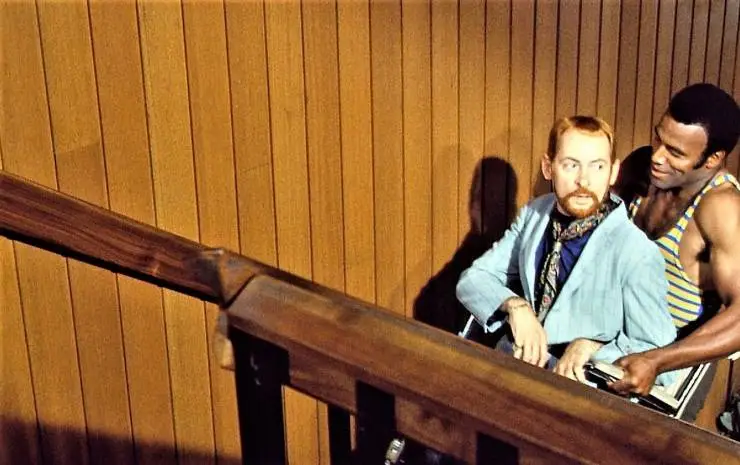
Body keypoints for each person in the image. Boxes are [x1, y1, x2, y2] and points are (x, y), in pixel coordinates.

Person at [456, 115, 677, 385]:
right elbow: (473, 280)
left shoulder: (636, 251)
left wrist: (592, 347)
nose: (584, 181)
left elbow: (659, 357)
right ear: (548, 167)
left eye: (597, 166)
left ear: (613, 172)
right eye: (571, 165)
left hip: (579, 387)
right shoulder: (534, 214)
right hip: (513, 367)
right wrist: (516, 307)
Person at [609, 83, 740, 396]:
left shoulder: (721, 207)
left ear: (712, 159)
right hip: (610, 338)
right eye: (659, 138)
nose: (657, 156)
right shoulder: (641, 168)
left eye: (675, 153)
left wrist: (657, 361)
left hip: (665, 365)